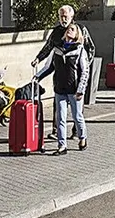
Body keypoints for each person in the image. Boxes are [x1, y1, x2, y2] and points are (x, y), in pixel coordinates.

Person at [37, 22, 89, 155]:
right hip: (60, 89)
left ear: (77, 34)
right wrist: (37, 77)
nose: (69, 31)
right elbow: (48, 67)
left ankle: (82, 137)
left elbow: (84, 72)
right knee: (60, 118)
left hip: (74, 90)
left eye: (72, 29)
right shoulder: (57, 49)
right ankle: (62, 146)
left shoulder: (80, 50)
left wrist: (81, 89)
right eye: (68, 29)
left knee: (77, 116)